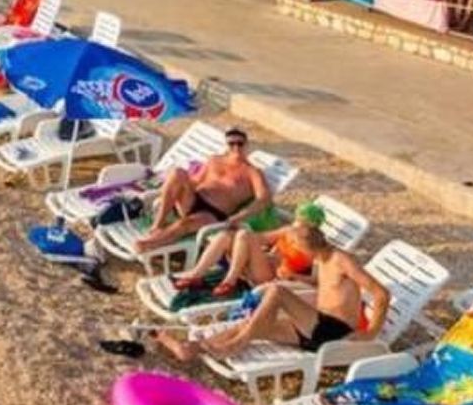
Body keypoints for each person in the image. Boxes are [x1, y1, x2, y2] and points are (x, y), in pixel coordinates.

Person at [160, 206, 388, 364]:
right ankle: (191, 348)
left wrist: (371, 333)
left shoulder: (343, 261)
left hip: (335, 330)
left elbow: (381, 294)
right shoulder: (322, 258)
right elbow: (324, 289)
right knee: (253, 324)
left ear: (309, 248)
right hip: (314, 330)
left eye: (300, 249)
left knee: (276, 291)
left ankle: (237, 344)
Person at [132, 126, 277, 252]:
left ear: (246, 145)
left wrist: (239, 217)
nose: (236, 147)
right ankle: (157, 225)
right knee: (178, 172)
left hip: (213, 213)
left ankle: (150, 244)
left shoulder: (252, 172)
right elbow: (195, 181)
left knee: (184, 224)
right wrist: (174, 189)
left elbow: (263, 199)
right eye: (232, 143)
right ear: (226, 145)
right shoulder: (214, 160)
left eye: (240, 143)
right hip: (193, 199)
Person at [166, 202, 329, 305]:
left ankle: (230, 279)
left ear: (312, 227)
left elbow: (316, 279)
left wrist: (293, 277)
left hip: (270, 277)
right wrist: (235, 236)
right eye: (296, 220)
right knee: (226, 236)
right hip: (259, 263)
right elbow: (261, 238)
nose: (295, 225)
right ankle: (196, 275)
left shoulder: (317, 248)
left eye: (300, 223)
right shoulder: (288, 231)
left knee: (244, 235)